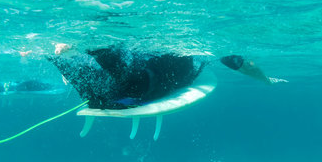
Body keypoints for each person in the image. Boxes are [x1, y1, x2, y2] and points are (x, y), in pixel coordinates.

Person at [48, 45, 286, 110]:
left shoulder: (198, 50)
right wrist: (266, 80)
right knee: (124, 88)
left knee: (105, 92)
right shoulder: (206, 50)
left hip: (135, 77)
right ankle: (76, 55)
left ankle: (71, 56)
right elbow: (242, 63)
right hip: (144, 83)